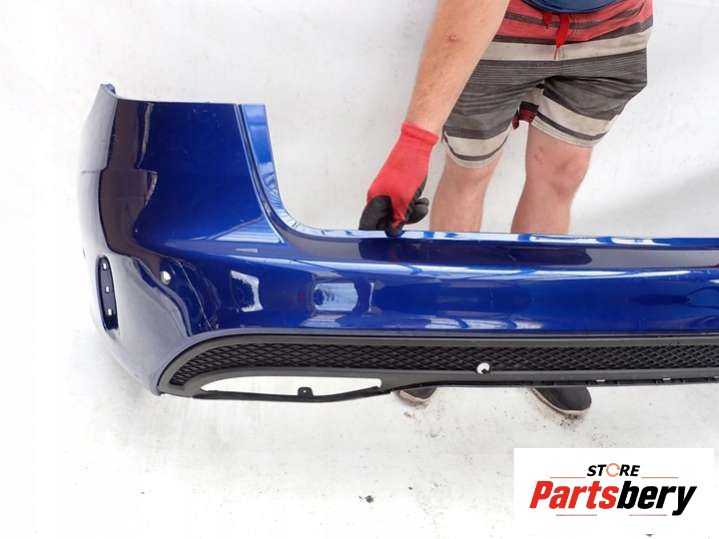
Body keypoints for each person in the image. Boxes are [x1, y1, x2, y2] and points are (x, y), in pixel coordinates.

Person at [360, 0, 653, 416]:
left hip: (612, 25)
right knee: (471, 169)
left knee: (561, 173)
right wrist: (414, 144)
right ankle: (446, 323)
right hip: (500, 24)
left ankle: (533, 332)